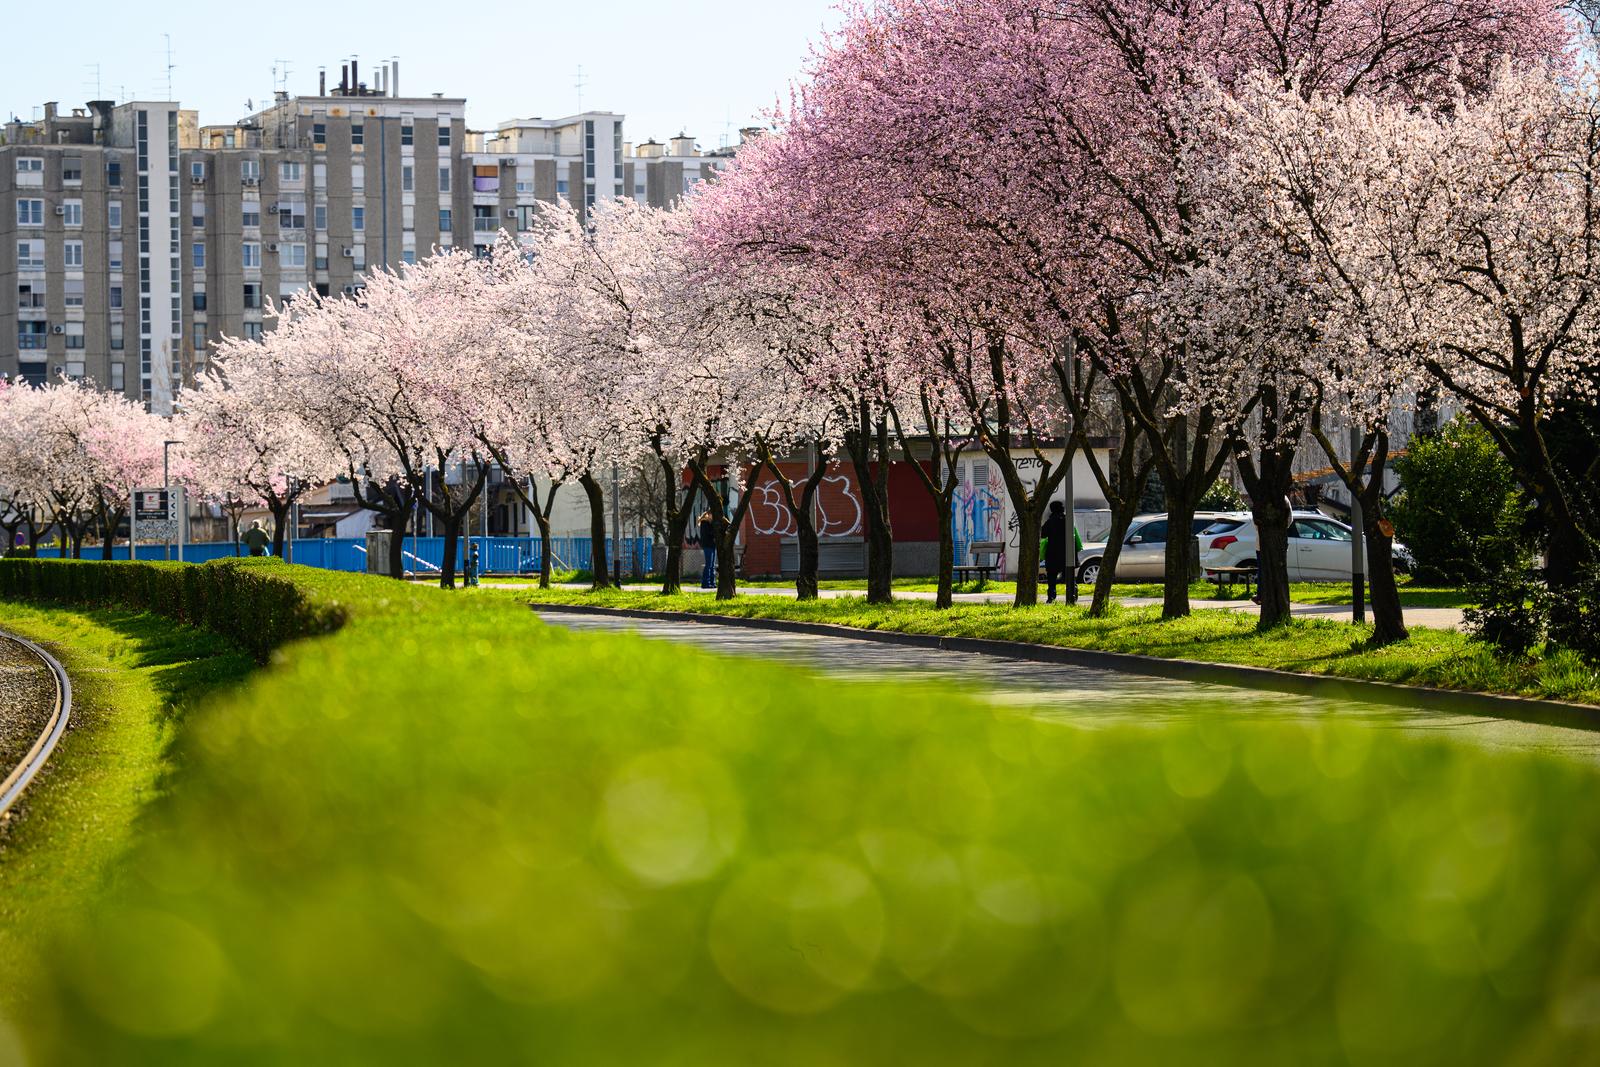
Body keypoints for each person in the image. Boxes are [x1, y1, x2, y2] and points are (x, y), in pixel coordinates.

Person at [1041, 500, 1076, 604]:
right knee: (1069, 576)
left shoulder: (1051, 521)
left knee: (1051, 575)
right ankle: (1073, 594)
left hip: (1053, 552)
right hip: (1067, 552)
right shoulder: (1068, 519)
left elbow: (1043, 534)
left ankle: (1051, 596)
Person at [698, 511, 718, 589]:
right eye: (712, 515)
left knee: (712, 565)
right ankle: (705, 583)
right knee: (708, 564)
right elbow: (710, 533)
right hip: (708, 546)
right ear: (709, 515)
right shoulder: (705, 523)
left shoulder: (710, 523)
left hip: (712, 546)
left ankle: (712, 582)